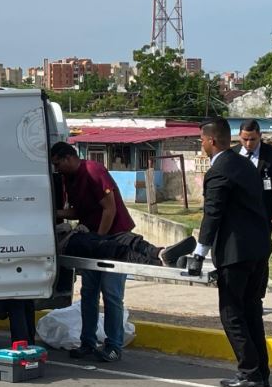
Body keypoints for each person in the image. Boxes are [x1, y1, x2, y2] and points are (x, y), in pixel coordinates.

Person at [188, 117, 272, 387]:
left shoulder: (219, 171)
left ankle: (249, 373)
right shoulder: (245, 165)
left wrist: (199, 253)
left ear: (212, 141)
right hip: (259, 249)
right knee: (251, 311)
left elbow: (213, 213)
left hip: (236, 254)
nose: (200, 144)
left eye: (201, 140)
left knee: (231, 312)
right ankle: (261, 373)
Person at [51, 141, 135, 362]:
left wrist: (99, 239)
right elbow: (77, 210)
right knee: (89, 292)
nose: (57, 169)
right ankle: (87, 342)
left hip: (113, 239)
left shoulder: (93, 170)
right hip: (93, 241)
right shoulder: (69, 179)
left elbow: (110, 209)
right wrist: (52, 212)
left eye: (58, 163)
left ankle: (113, 345)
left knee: (111, 294)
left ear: (69, 158)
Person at [233, 119, 272, 295]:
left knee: (260, 255)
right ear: (239, 137)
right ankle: (241, 295)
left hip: (264, 216)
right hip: (238, 217)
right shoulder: (233, 155)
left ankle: (257, 296)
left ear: (260, 136)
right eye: (245, 139)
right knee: (240, 256)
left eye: (252, 139)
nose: (248, 143)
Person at [58, 223, 196, 267]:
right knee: (112, 249)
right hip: (65, 243)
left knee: (125, 237)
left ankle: (160, 253)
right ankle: (158, 262)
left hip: (78, 233)